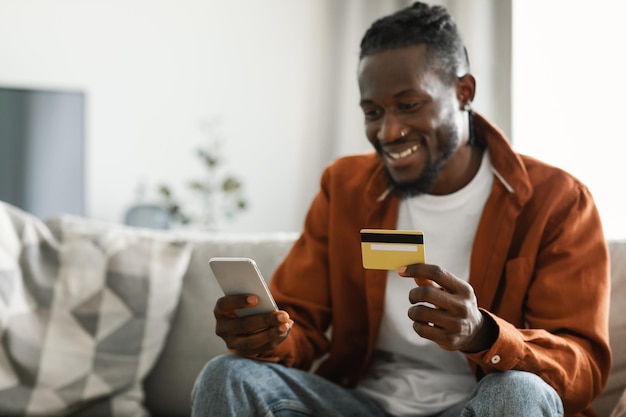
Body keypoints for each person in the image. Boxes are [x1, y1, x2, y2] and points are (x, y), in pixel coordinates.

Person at [191, 2, 611, 416]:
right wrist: (264, 336)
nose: (388, 132)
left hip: (479, 405)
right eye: (373, 112)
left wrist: (484, 333)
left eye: (409, 105)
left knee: (517, 392)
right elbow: (299, 322)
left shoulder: (558, 200)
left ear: (464, 92)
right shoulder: (345, 187)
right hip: (361, 403)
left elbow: (582, 367)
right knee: (225, 374)